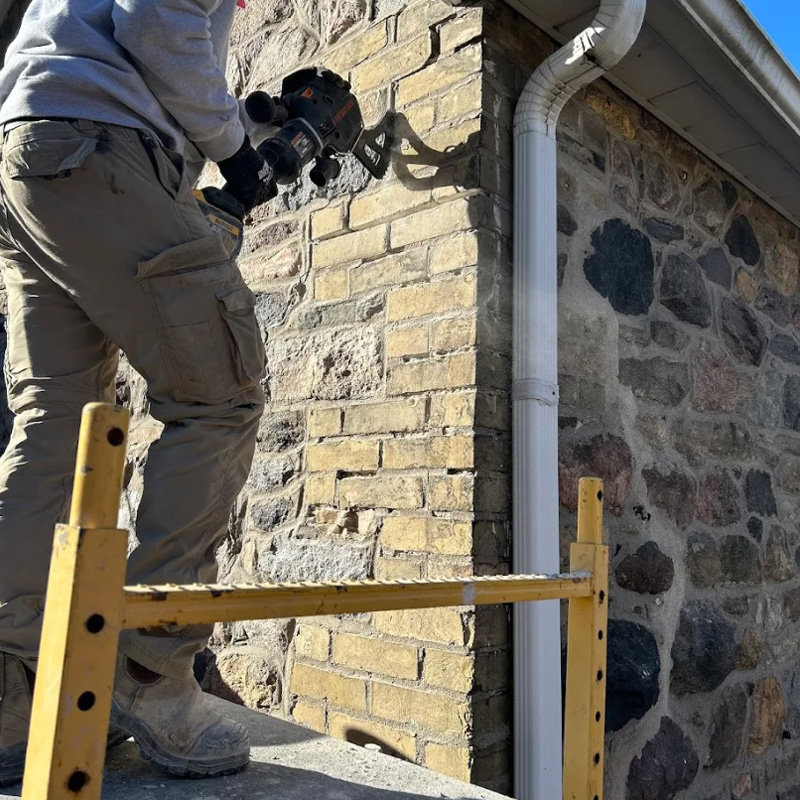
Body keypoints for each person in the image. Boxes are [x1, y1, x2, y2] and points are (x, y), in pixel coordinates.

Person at [0, 0, 277, 783]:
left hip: (34, 152)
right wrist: (235, 149)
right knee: (220, 397)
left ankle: (12, 693)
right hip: (101, 145)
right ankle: (149, 675)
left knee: (57, 422)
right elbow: (156, 24)